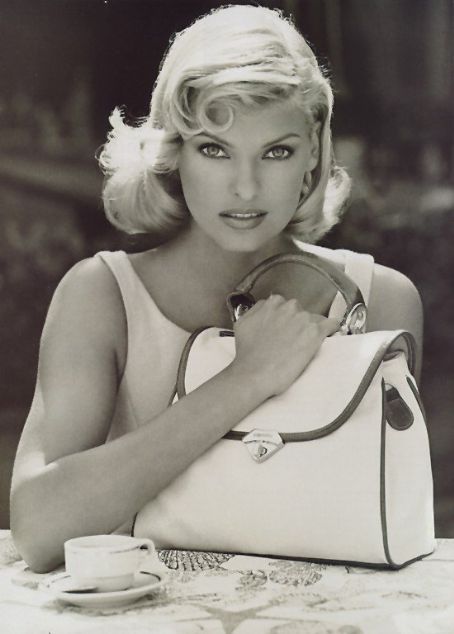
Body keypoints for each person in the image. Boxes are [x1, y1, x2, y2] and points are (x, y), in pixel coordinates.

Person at [10, 4, 423, 573]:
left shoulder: (380, 299)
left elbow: (384, 512)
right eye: (214, 149)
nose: (245, 188)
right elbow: (37, 531)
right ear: (173, 153)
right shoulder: (102, 296)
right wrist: (245, 378)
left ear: (312, 156)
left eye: (276, 151)